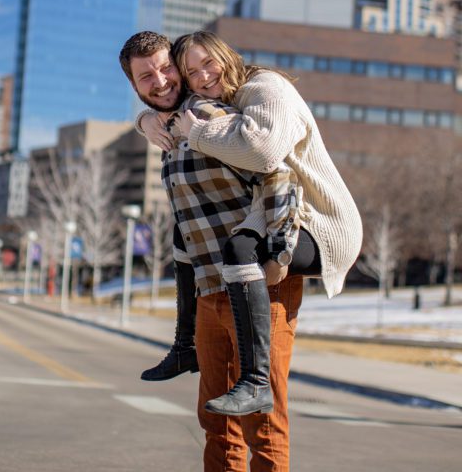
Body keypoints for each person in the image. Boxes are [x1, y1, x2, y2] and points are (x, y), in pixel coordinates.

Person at [136, 31, 363, 416]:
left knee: (240, 249)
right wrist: (146, 120)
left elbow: (264, 153)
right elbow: (177, 105)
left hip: (318, 220)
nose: (204, 75)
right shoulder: (226, 100)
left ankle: (256, 382)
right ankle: (183, 345)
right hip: (277, 208)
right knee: (184, 232)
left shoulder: (266, 88)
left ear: (227, 55)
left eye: (209, 63)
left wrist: (197, 133)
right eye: (192, 72)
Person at [120, 31, 316, 472]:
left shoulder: (211, 114)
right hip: (210, 285)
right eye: (146, 76)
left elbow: (278, 174)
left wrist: (279, 256)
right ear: (135, 87)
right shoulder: (168, 128)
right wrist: (145, 121)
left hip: (260, 283)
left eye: (166, 68)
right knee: (215, 419)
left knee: (263, 424)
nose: (160, 81)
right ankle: (181, 345)